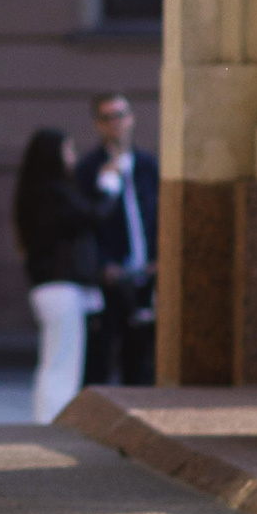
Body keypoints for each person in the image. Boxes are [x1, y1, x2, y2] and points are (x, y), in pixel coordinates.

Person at [12, 128, 104, 424]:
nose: (72, 157)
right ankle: (51, 420)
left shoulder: (36, 192)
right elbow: (90, 217)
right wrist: (108, 188)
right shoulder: (51, 192)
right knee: (61, 361)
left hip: (51, 285)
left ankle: (51, 418)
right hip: (60, 285)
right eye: (68, 150)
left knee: (59, 359)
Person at [73, 88, 159, 386]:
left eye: (121, 115)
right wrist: (103, 264)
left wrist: (157, 258)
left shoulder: (148, 166)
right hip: (109, 279)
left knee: (141, 360)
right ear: (98, 124)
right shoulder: (87, 170)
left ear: (132, 119)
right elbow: (86, 224)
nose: (116, 123)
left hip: (145, 276)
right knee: (100, 357)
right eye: (108, 118)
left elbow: (159, 216)